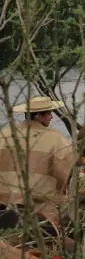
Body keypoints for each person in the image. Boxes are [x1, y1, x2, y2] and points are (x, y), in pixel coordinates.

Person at [0, 97, 74, 231]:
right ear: (39, 116)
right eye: (49, 114)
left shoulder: (4, 134)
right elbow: (65, 175)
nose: (52, 117)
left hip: (5, 207)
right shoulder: (56, 138)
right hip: (41, 211)